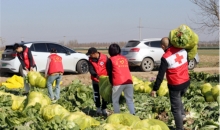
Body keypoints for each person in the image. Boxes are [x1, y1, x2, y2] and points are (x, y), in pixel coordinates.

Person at [150, 37, 190, 130]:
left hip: (175, 85)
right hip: (186, 82)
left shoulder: (165, 57)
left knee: (175, 109)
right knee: (178, 99)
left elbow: (160, 75)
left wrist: (155, 88)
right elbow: (186, 62)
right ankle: (183, 115)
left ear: (163, 46)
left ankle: (179, 128)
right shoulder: (183, 50)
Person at [107, 43, 135, 115]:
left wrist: (111, 84)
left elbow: (110, 73)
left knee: (115, 100)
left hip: (118, 82)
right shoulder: (124, 58)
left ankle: (117, 115)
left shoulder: (110, 60)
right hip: (128, 81)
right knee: (129, 100)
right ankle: (133, 114)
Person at [86, 47, 109, 116]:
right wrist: (96, 75)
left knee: (105, 94)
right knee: (97, 94)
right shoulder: (90, 60)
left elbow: (108, 67)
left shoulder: (105, 58)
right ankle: (98, 109)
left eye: (90, 54)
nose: (90, 56)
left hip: (105, 80)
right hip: (95, 79)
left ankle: (104, 109)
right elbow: (91, 69)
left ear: (94, 53)